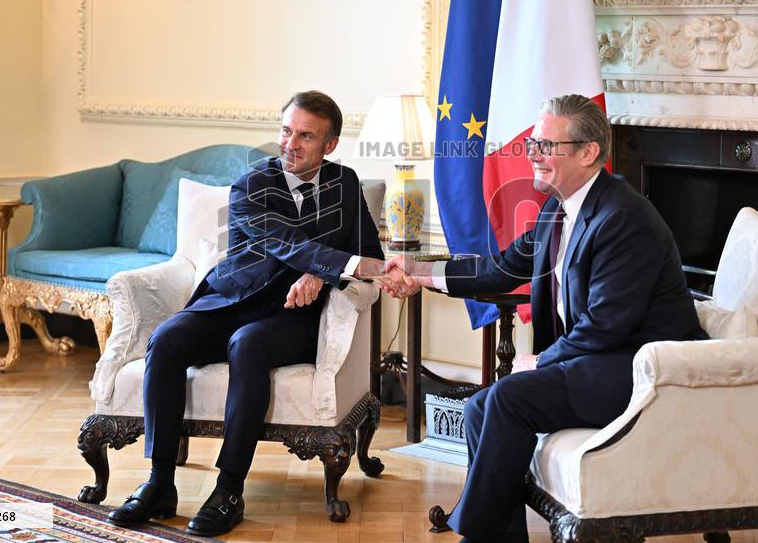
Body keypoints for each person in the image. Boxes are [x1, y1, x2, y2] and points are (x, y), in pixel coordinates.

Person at [387, 94, 707, 543]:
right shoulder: (557, 209)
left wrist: (540, 360)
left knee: (504, 399)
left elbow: (605, 324)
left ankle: (473, 536)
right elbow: (499, 268)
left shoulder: (622, 217)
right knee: (482, 405)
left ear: (588, 152)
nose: (532, 154)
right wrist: (419, 273)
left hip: (641, 369)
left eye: (545, 146)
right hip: (599, 359)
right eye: (532, 144)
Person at [107, 90, 402, 537]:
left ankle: (228, 490)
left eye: (305, 135)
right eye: (286, 131)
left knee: (248, 345)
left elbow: (367, 250)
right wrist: (323, 265)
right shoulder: (251, 184)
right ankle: (159, 482)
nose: (290, 143)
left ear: (330, 144)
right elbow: (288, 243)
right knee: (166, 340)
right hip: (232, 300)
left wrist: (321, 278)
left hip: (291, 317)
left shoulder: (344, 185)